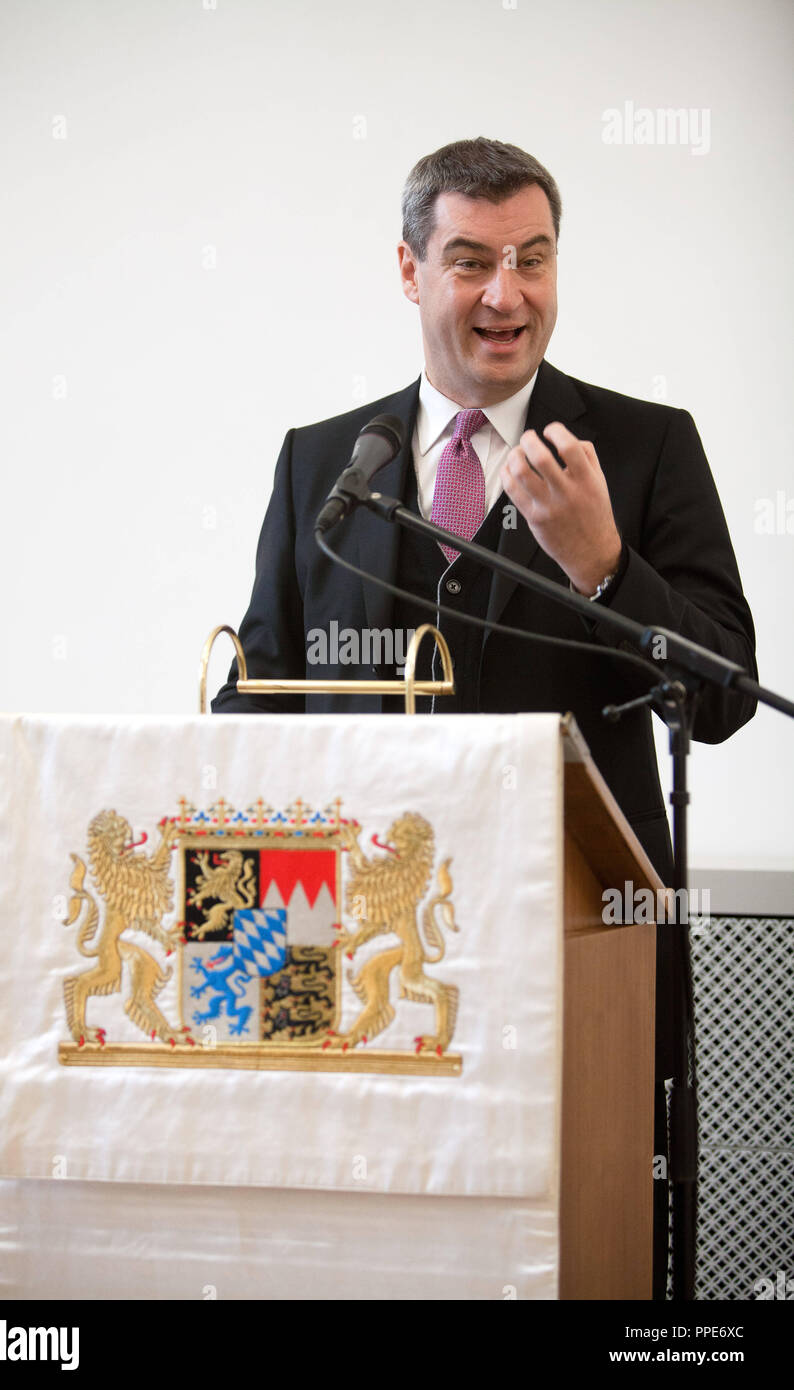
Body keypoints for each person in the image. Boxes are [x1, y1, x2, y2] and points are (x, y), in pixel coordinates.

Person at [212, 137, 758, 1296]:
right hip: (338, 944)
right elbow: (256, 692)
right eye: (470, 261)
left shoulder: (643, 448)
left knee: (578, 1252)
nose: (506, 294)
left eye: (531, 259)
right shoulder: (324, 463)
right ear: (409, 270)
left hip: (577, 944)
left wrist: (603, 564)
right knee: (354, 1255)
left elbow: (720, 695)